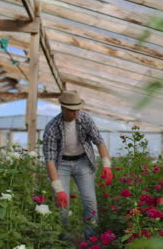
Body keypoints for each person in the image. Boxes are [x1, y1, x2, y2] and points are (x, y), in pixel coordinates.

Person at [43, 90, 113, 240]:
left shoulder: (85, 119)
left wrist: (106, 164)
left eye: (77, 110)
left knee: (90, 203)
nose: (75, 114)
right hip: (61, 164)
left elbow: (99, 141)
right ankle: (65, 241)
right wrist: (58, 188)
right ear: (62, 108)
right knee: (62, 206)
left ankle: (91, 239)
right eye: (71, 111)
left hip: (83, 162)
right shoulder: (52, 127)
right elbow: (49, 159)